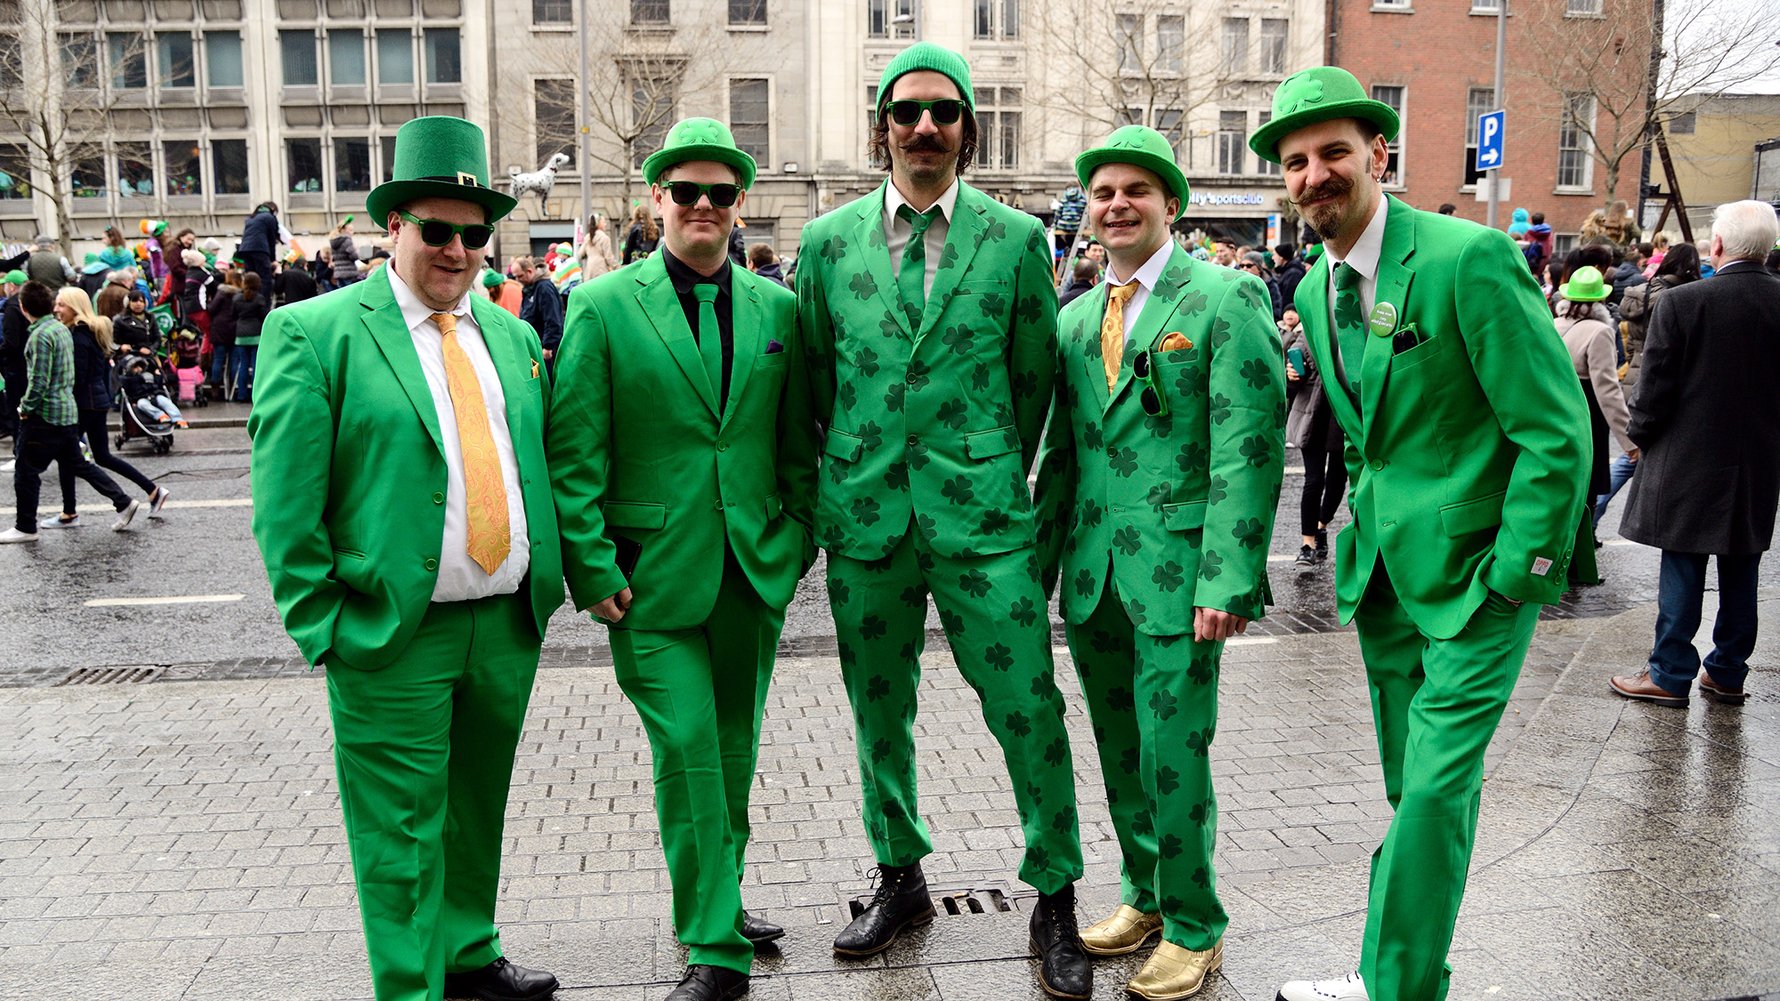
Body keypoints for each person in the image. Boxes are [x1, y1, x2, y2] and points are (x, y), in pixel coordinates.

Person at [1250, 67, 1589, 1001]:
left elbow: (1555, 430)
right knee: (1417, 796)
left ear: (1377, 155)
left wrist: (1517, 574)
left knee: (1436, 789)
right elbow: (1373, 437)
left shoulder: (1465, 257)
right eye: (1295, 161)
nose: (1313, 174)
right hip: (1389, 584)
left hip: (1480, 581)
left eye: (1332, 154)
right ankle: (1403, 974)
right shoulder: (1318, 287)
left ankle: (1387, 986)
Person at [794, 42, 1088, 999]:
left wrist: (994, 472)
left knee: (1028, 710)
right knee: (880, 713)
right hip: (868, 520)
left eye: (945, 113)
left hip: (984, 523)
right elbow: (815, 381)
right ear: (881, 125)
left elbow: (1035, 378)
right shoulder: (827, 242)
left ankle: (1055, 896)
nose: (926, 126)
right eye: (908, 111)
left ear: (968, 131)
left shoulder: (1013, 241)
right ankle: (900, 873)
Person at [248, 115, 563, 1001]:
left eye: (474, 233)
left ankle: (467, 952)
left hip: (504, 621)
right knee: (399, 835)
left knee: (474, 809)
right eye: (438, 230)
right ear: (395, 227)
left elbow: (533, 460)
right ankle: (412, 987)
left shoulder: (508, 334)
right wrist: (327, 627)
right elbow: (285, 503)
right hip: (393, 633)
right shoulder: (316, 333)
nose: (458, 250)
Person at [549, 117, 816, 1001]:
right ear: (654, 199)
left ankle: (718, 894)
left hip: (750, 570)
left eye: (722, 194)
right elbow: (574, 452)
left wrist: (795, 536)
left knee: (733, 750)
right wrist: (591, 567)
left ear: (740, 206)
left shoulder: (779, 308)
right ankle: (715, 948)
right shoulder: (602, 305)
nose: (704, 206)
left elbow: (796, 444)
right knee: (691, 748)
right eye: (686, 191)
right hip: (648, 581)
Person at [1033, 125, 1284, 1001]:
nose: (1117, 205)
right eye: (1102, 193)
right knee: (1118, 747)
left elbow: (1249, 448)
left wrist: (1228, 577)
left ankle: (1195, 922)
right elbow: (1063, 455)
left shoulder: (1222, 298)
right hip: (1094, 574)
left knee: (1174, 751)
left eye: (1136, 190)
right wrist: (1034, 573)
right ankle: (1145, 893)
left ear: (1169, 204)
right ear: (1088, 211)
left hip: (1181, 579)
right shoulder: (1072, 321)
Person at [1609, 201, 1780, 709]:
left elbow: (1655, 387)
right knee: (1742, 568)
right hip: (1757, 461)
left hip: (1688, 458)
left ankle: (1669, 672)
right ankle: (1727, 672)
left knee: (1682, 567)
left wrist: (1638, 435)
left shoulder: (1686, 303)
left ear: (1719, 246)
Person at [1, 282, 139, 543]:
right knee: (77, 463)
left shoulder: (40, 336)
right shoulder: (60, 329)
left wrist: (25, 408)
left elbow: (38, 381)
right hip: (67, 410)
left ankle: (25, 526)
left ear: (22, 307)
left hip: (46, 413)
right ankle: (123, 501)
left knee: (26, 470)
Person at [38, 287, 172, 532]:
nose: (56, 310)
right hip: (95, 401)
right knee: (99, 456)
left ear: (75, 307)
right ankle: (153, 490)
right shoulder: (87, 332)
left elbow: (77, 377)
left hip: (84, 403)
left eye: (61, 305)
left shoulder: (78, 336)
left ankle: (77, 511)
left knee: (69, 457)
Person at [1553, 266, 1633, 586]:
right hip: (1587, 416)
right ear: (1601, 301)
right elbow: (1607, 389)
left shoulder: (1555, 323)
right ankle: (1577, 567)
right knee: (1585, 495)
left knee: (1561, 489)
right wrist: (1629, 439)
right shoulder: (1600, 332)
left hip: (1556, 411)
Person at [1282, 305, 1347, 575]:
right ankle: (1307, 543)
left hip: (1342, 414)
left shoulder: (1353, 329)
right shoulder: (1310, 330)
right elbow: (1293, 367)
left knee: (1337, 479)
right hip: (1313, 413)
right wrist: (1292, 373)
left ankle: (1321, 524)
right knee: (1313, 479)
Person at [1618, 241, 1699, 385]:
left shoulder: (1642, 292)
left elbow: (1630, 340)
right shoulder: (1684, 297)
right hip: (1667, 376)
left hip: (1636, 370)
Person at [515, 257, 563, 366]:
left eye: (520, 276)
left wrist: (548, 346)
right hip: (537, 343)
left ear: (529, 271)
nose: (518, 280)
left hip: (546, 348)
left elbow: (552, 318)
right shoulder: (530, 288)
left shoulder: (544, 288)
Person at [230, 271, 268, 403]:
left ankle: (241, 394)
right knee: (255, 365)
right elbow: (265, 316)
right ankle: (254, 395)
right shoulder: (259, 299)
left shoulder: (236, 298)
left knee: (243, 365)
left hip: (240, 334)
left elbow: (233, 315)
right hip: (256, 334)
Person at [238, 201, 281, 289]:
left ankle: (250, 298)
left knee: (250, 278)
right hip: (260, 249)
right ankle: (263, 300)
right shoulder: (270, 217)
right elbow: (272, 240)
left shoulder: (251, 218)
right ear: (272, 209)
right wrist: (273, 259)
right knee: (265, 277)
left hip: (245, 249)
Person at [578, 212, 616, 279]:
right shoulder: (604, 238)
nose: (605, 224)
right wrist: (617, 267)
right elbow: (609, 257)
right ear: (599, 224)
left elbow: (580, 254)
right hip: (601, 270)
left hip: (589, 270)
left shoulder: (588, 237)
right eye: (604, 222)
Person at [331, 216, 362, 287]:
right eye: (350, 230)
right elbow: (354, 256)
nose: (352, 232)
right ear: (344, 230)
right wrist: (356, 250)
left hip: (338, 273)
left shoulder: (334, 241)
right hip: (349, 273)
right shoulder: (347, 240)